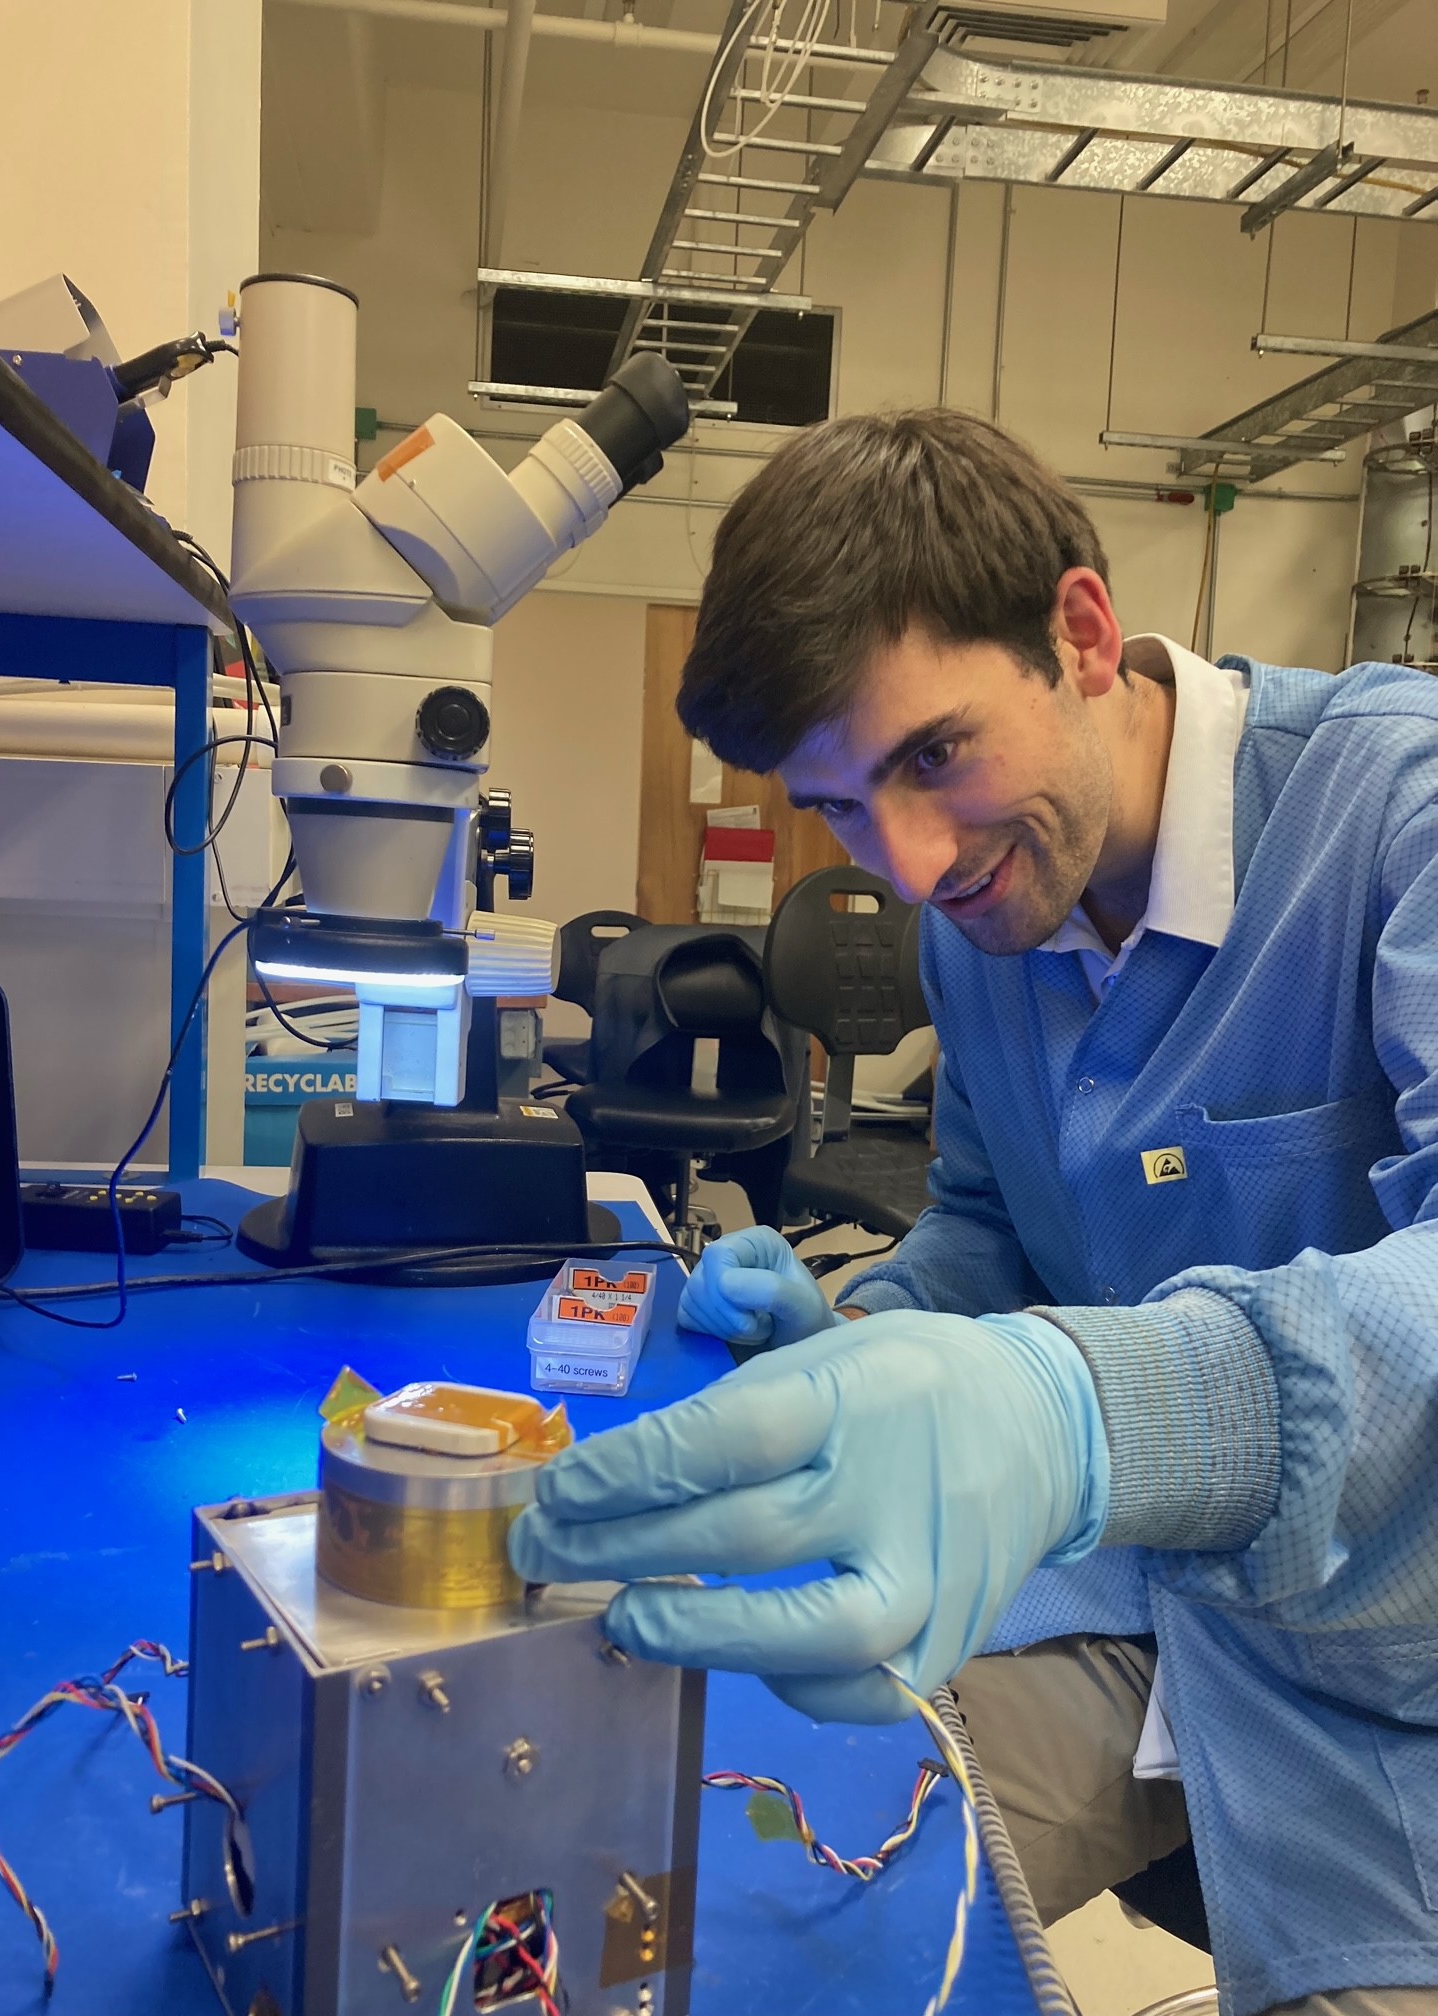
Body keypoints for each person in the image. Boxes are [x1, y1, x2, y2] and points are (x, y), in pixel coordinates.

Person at [509, 410, 1438, 2016]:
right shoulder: (983, 919)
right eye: (847, 810)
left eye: (933, 756)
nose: (914, 858)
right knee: (699, 1838)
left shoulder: (1395, 814)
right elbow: (992, 1235)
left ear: (1080, 634)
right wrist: (862, 1327)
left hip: (1385, 1688)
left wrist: (1080, 1409)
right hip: (1124, 1594)